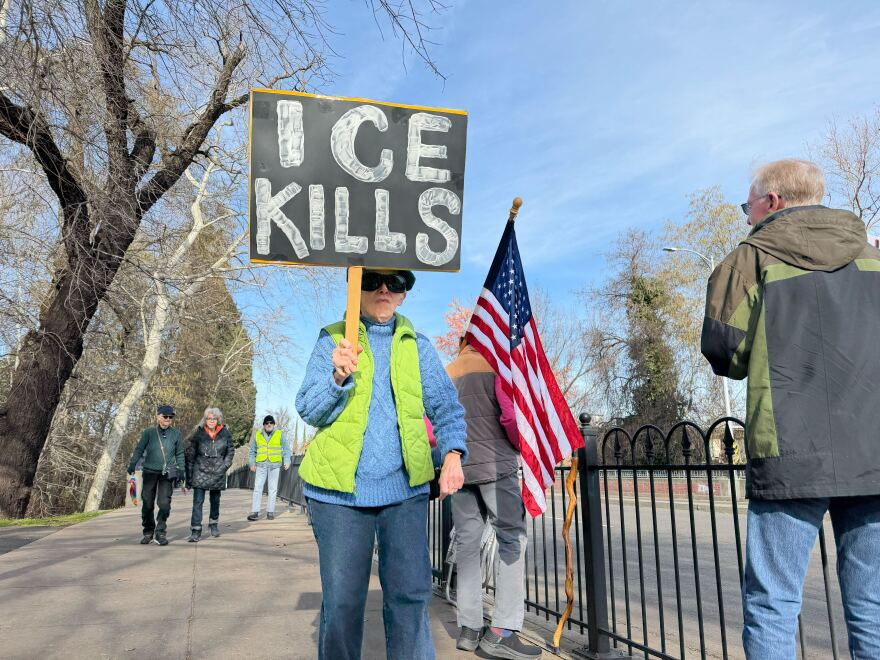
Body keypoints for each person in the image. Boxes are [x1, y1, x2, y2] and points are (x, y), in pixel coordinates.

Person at [701, 159, 880, 659]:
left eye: (748, 206)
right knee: (873, 607)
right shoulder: (872, 258)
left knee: (773, 605)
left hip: (789, 453)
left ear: (772, 202)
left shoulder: (749, 260)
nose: (746, 216)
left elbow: (724, 351)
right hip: (874, 452)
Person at [296, 268, 467, 660]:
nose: (384, 289)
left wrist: (454, 454)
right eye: (372, 280)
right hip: (338, 494)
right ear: (356, 289)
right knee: (342, 604)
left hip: (403, 491)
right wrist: (337, 376)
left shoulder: (418, 346)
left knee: (409, 597)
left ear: (405, 294)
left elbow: (447, 408)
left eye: (396, 283)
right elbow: (307, 408)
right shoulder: (332, 339)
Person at [447, 337, 541, 658]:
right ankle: (502, 631)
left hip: (459, 468)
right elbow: (510, 418)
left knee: (468, 546)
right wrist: (520, 446)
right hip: (495, 465)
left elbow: (435, 426)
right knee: (512, 540)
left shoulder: (448, 371)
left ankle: (469, 628)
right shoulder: (496, 365)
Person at [126, 404, 185, 545]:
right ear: (158, 417)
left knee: (164, 504)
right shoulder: (149, 433)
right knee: (147, 503)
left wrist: (181, 471)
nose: (168, 419)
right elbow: (140, 448)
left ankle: (160, 533)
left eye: (171, 417)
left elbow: (180, 453)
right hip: (149, 472)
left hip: (166, 474)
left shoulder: (176, 434)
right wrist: (133, 464)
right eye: (165, 416)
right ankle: (148, 532)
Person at [185, 407, 235, 542]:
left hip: (218, 471)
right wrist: (188, 477)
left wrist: (225, 465)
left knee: (215, 500)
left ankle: (213, 524)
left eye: (214, 419)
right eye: (209, 418)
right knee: (198, 502)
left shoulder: (225, 433)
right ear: (205, 420)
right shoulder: (199, 433)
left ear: (218, 420)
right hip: (200, 470)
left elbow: (230, 450)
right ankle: (195, 530)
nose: (211, 421)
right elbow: (191, 454)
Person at [247, 414, 291, 521]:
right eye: (267, 423)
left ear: (274, 424)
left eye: (271, 423)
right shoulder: (258, 435)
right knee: (257, 488)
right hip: (261, 465)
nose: (269, 424)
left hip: (274, 465)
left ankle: (270, 512)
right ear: (264, 425)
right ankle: (255, 512)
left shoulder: (280, 434)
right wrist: (251, 463)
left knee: (273, 489)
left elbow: (286, 449)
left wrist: (287, 461)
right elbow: (252, 451)